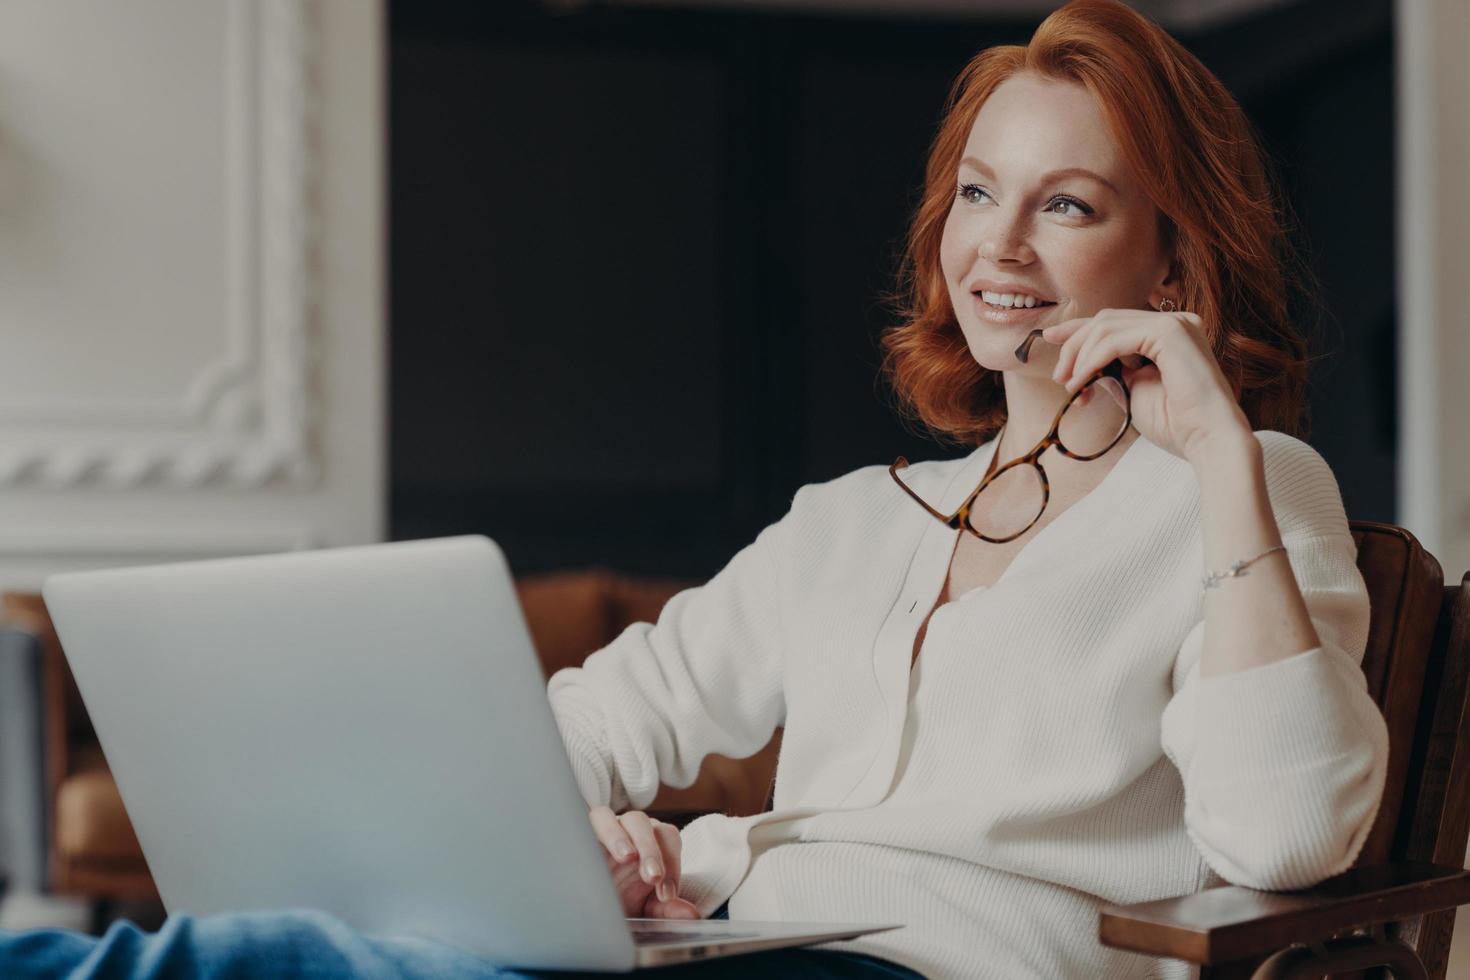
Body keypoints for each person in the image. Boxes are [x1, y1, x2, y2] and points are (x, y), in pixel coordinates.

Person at [0, 1, 1387, 977]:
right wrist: (568, 834)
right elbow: (606, 715)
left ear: (1168, 262)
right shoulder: (852, 518)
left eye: (1066, 203)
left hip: (950, 970)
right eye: (975, 192)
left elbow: (1285, 834)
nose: (997, 245)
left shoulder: (1247, 490)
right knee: (228, 958)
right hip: (728, 940)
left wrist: (1210, 454)